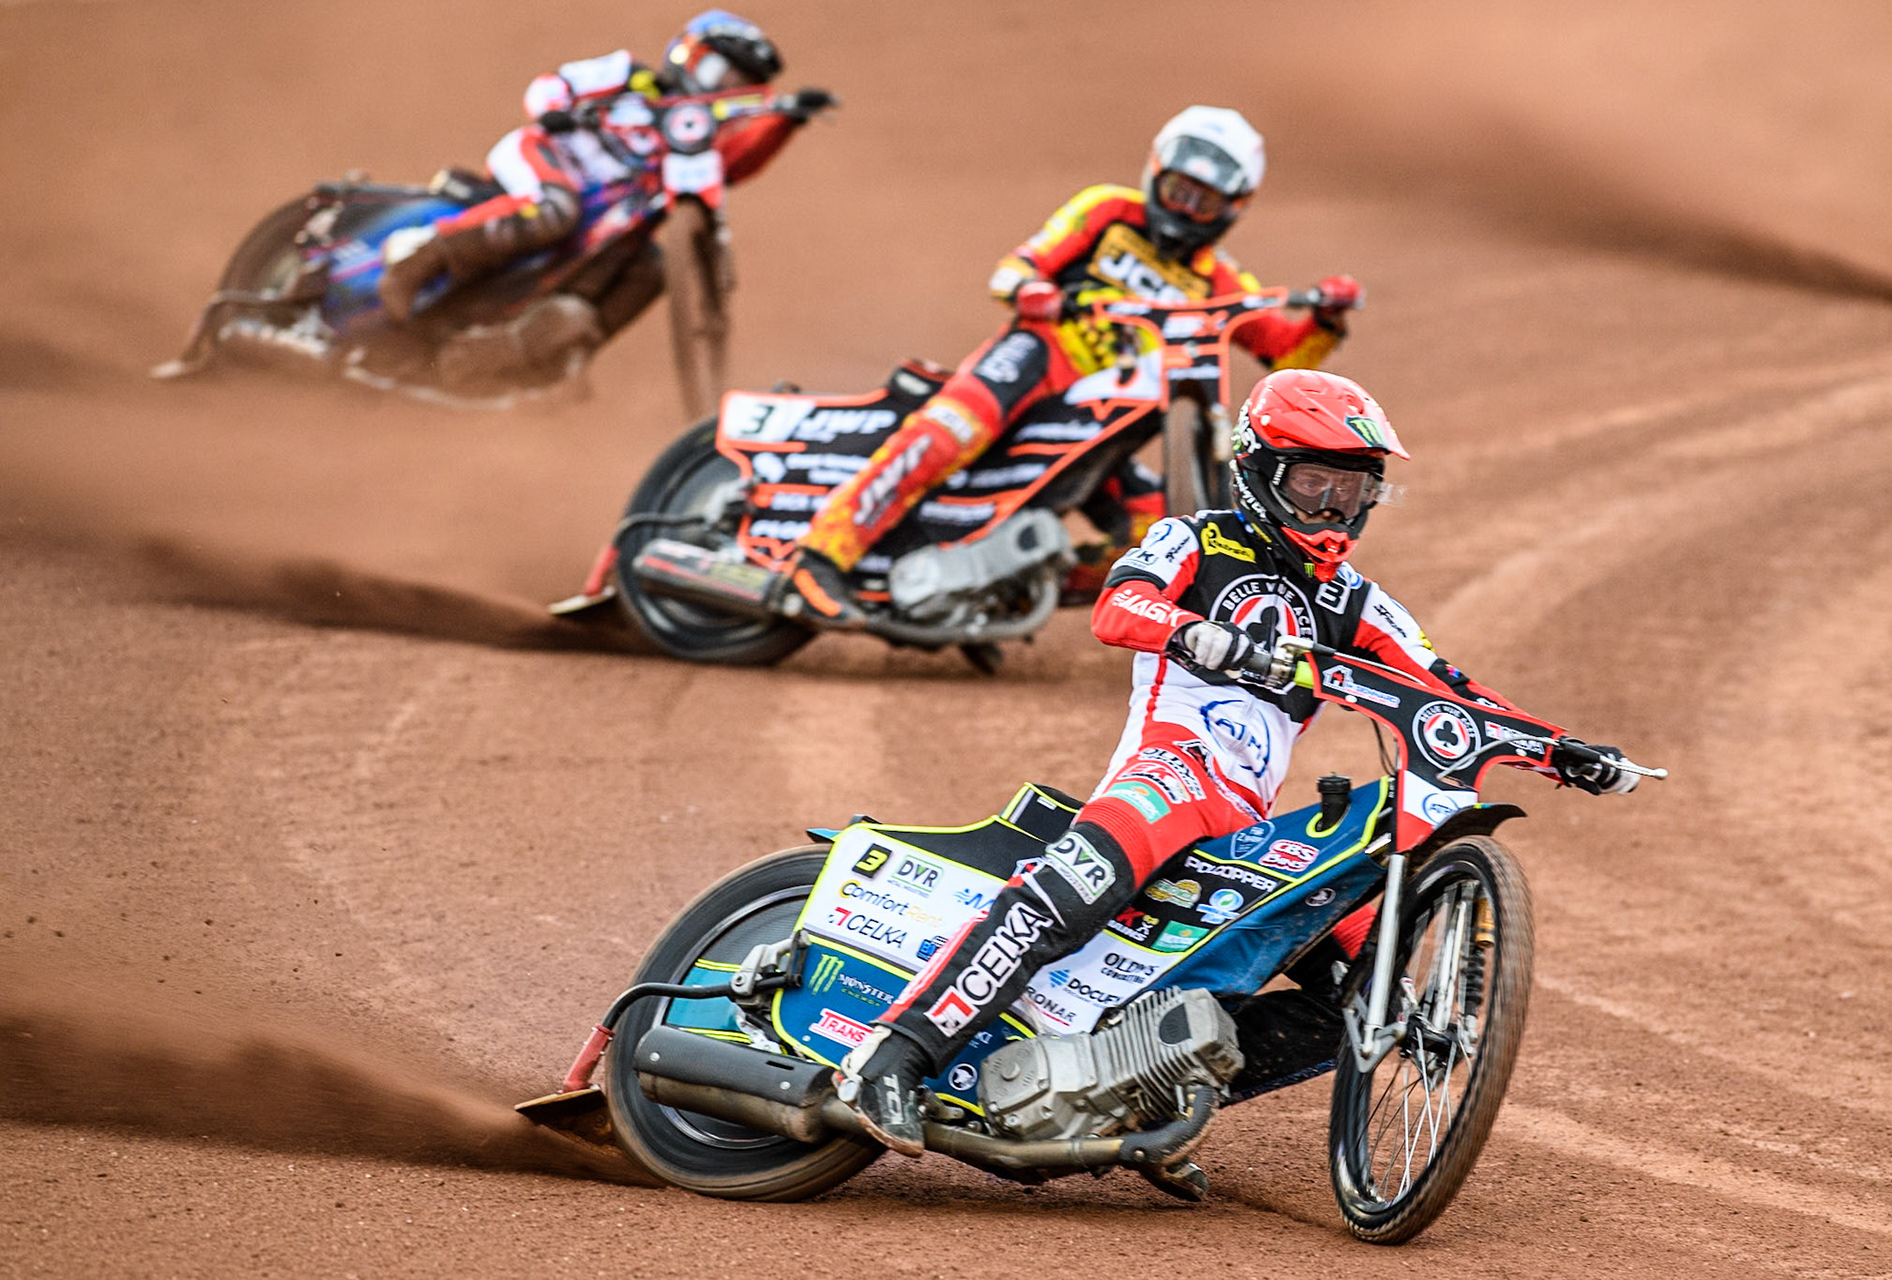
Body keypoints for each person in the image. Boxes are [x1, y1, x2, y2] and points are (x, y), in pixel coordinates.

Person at [834, 367, 1641, 1155]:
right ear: (1257, 471)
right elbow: (1117, 606)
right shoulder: (1193, 538)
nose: (1333, 509)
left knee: (1368, 991)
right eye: (1314, 484)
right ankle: (891, 1057)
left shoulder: (1358, 601)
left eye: (1353, 490)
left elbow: (1450, 689)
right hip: (1169, 771)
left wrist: (1561, 749)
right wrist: (1193, 632)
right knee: (1065, 897)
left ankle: (1139, 1101)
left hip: (1248, 825)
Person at [774, 105, 1364, 627]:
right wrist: (1033, 291)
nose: (1186, 209)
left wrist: (1326, 320)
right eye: (1178, 190)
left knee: (1154, 526)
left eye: (1204, 201)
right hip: (1032, 362)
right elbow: (1017, 267)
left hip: (1104, 415)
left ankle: (1010, 584)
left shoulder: (1221, 281)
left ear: (1233, 208)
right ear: (1155, 174)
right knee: (942, 437)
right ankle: (817, 560)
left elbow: (1283, 353)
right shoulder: (1108, 211)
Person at [377, 9, 828, 342]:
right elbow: (555, 84)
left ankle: (550, 356)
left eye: (738, 84)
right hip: (546, 158)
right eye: (720, 73)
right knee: (555, 209)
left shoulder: (696, 144)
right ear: (690, 56)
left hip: (599, 221)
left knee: (651, 267)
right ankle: (416, 262)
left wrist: (785, 121)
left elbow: (735, 166)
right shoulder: (631, 78)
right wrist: (555, 111)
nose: (724, 89)